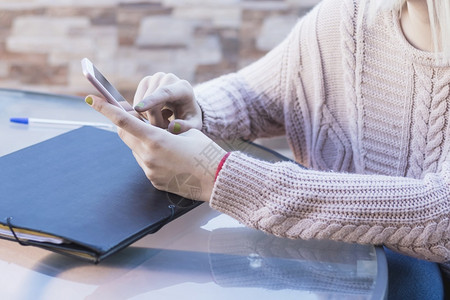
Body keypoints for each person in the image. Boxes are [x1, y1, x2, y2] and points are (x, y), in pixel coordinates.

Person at [85, 0, 450, 298]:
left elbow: (439, 214)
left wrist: (220, 175)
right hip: (328, 265)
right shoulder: (343, 19)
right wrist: (194, 111)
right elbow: (254, 96)